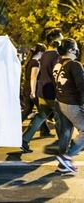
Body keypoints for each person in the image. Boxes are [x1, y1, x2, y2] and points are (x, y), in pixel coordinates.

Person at [21, 28, 72, 154]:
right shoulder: (56, 57)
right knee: (61, 119)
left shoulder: (42, 56)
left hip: (42, 92)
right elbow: (57, 76)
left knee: (41, 116)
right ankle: (64, 147)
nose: (62, 41)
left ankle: (24, 139)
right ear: (55, 41)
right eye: (61, 39)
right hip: (52, 93)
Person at [54, 38, 83, 175]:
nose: (77, 50)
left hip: (61, 102)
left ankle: (63, 164)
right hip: (71, 103)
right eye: (75, 48)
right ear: (71, 50)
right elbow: (82, 86)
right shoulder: (74, 64)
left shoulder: (60, 64)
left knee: (66, 133)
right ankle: (67, 157)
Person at [20, 43, 52, 136]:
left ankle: (45, 131)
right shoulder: (36, 62)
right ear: (41, 52)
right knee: (42, 111)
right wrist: (33, 91)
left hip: (26, 87)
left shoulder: (29, 61)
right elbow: (33, 77)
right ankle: (44, 131)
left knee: (28, 109)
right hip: (33, 88)